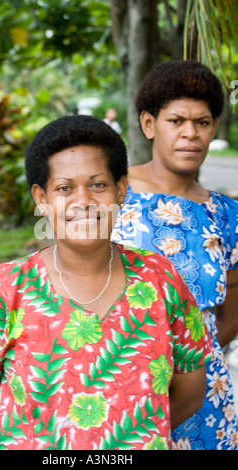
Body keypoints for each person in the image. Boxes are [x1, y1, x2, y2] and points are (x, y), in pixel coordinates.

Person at [0, 115, 212, 450]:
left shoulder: (160, 278)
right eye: (64, 188)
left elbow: (189, 394)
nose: (83, 201)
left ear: (121, 190)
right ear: (42, 199)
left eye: (98, 185)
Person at [111, 60, 238, 450]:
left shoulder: (227, 214)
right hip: (120, 393)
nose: (190, 134)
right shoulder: (111, 194)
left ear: (214, 128)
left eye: (202, 122)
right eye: (177, 120)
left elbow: (229, 318)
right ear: (149, 125)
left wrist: (186, 370)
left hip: (206, 402)